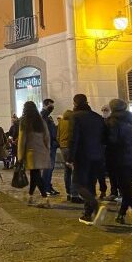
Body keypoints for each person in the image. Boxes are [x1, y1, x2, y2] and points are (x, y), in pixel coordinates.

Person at [105, 99, 132, 232]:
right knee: (126, 188)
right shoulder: (129, 121)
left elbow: (112, 141)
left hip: (120, 159)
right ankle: (121, 214)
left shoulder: (113, 122)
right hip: (131, 159)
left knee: (125, 190)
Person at [66, 94, 107, 225]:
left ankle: (95, 205)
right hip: (97, 155)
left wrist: (70, 157)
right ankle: (87, 214)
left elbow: (73, 138)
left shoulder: (75, 116)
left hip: (82, 155)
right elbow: (104, 138)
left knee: (77, 185)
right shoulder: (97, 117)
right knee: (90, 184)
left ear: (75, 103)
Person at [18, 101, 52, 207]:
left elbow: (22, 140)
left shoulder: (24, 121)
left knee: (36, 175)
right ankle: (30, 196)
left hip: (31, 152)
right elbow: (47, 137)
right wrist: (47, 149)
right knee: (35, 174)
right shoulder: (40, 120)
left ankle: (45, 198)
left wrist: (20, 156)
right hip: (42, 151)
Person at [58, 109, 81, 203]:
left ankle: (68, 192)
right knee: (74, 170)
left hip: (63, 147)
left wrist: (60, 144)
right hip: (70, 147)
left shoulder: (61, 122)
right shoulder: (73, 122)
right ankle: (74, 193)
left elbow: (57, 136)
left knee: (67, 170)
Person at [40, 99, 60, 196]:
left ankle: (48, 186)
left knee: (50, 168)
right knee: (48, 168)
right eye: (51, 105)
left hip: (52, 144)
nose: (52, 107)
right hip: (48, 145)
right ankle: (45, 187)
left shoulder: (48, 117)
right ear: (46, 105)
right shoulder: (43, 115)